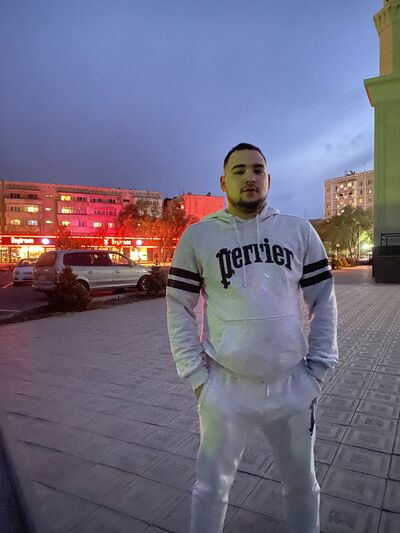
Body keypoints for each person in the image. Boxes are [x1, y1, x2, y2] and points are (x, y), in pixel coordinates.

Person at [166, 143, 338, 533]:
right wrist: (196, 377)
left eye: (258, 170)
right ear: (223, 181)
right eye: (239, 170)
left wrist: (318, 368)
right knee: (211, 488)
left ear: (268, 179)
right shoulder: (199, 237)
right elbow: (178, 305)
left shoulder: (298, 231)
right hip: (226, 388)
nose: (250, 177)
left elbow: (323, 299)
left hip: (292, 384)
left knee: (303, 486)